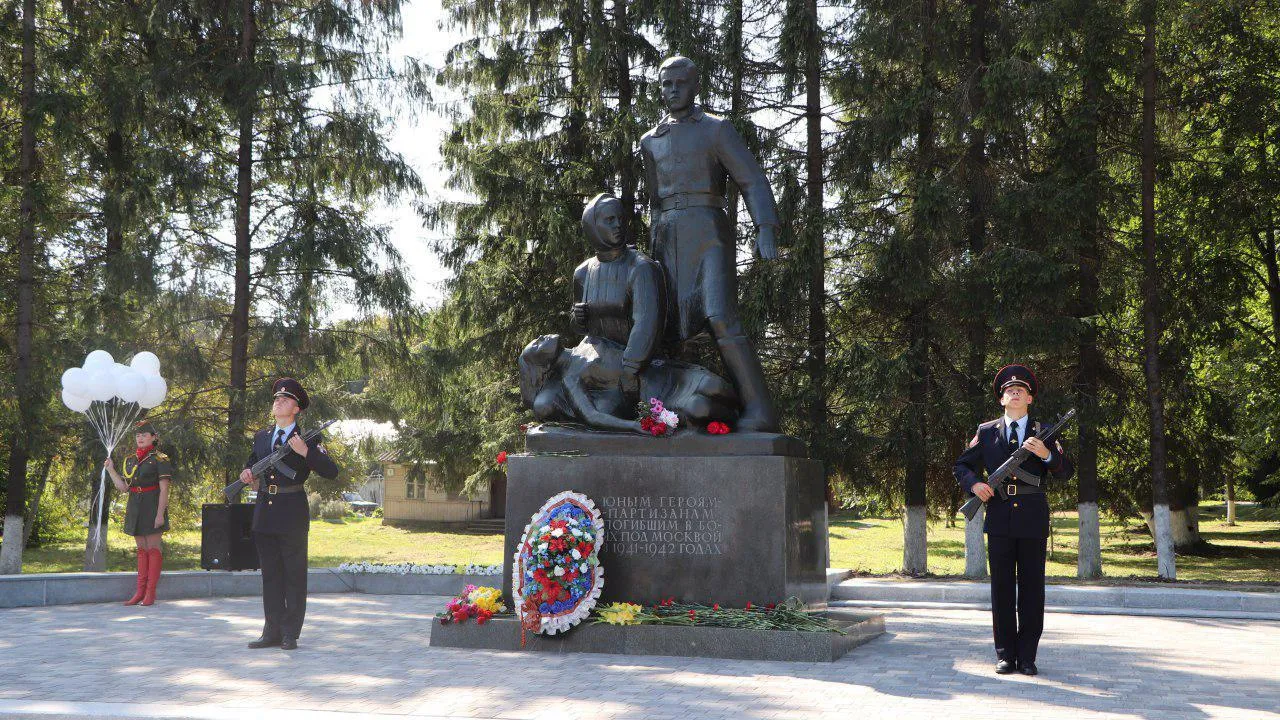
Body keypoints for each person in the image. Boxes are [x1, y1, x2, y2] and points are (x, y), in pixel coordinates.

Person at [638, 55, 780, 431]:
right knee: (667, 327)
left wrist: (764, 227)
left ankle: (760, 410)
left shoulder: (716, 130)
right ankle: (670, 416)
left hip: (708, 231)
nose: (672, 91)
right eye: (665, 84)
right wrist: (653, 250)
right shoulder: (650, 141)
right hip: (666, 235)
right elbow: (654, 202)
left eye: (679, 83)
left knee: (720, 317)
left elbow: (751, 180)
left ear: (695, 85)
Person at [953, 364, 1074, 676]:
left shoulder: (1045, 431)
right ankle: (1005, 654)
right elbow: (962, 466)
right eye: (1009, 390)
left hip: (1032, 518)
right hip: (1000, 518)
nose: (1015, 392)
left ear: (1030, 399)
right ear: (1001, 400)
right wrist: (974, 485)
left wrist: (1047, 454)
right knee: (1002, 589)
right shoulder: (986, 432)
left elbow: (1066, 472)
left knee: (1032, 590)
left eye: (1021, 390)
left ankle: (1028, 657)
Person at [238, 378, 338, 650]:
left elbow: (331, 471)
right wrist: (246, 474)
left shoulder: (309, 438)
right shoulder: (261, 436)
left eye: (285, 399)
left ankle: (289, 633)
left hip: (291, 511)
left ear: (296, 409)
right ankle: (271, 630)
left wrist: (305, 452)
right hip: (264, 512)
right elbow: (251, 464)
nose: (278, 402)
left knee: (294, 575)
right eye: (276, 399)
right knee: (270, 575)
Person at [104, 420, 172, 606]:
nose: (140, 438)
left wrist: (160, 514)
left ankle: (150, 592)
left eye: (144, 435)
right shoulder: (131, 460)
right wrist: (110, 470)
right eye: (138, 436)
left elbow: (164, 490)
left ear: (154, 438)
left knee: (153, 548)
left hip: (152, 504)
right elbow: (124, 488)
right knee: (142, 549)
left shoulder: (161, 459)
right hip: (135, 504)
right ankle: (139, 592)